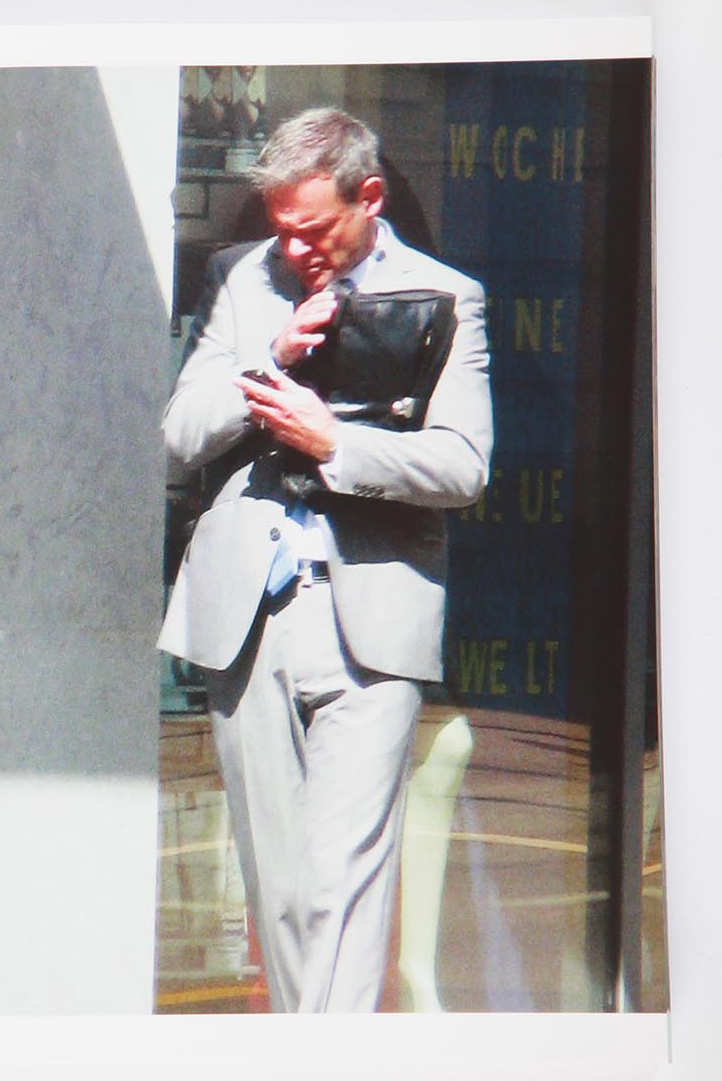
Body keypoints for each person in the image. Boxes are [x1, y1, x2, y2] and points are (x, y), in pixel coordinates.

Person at [158, 108, 493, 1012]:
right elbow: (177, 439)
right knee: (281, 891)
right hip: (251, 615)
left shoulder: (447, 296)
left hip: (372, 620)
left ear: (369, 197)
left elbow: (465, 464)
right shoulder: (245, 283)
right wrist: (265, 362)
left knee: (339, 883)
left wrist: (335, 447)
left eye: (311, 229)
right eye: (280, 230)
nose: (293, 249)